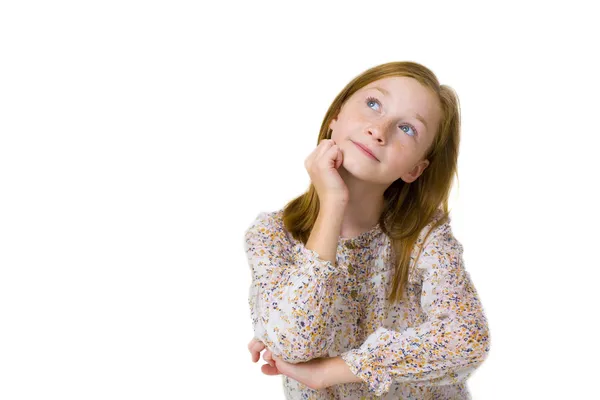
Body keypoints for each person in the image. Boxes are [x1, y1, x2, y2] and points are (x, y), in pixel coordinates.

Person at [244, 61, 491, 399]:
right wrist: (332, 203)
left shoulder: (425, 236)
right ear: (336, 117)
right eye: (373, 104)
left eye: (407, 128)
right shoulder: (272, 235)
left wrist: (331, 371)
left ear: (415, 169)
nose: (380, 129)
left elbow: (467, 339)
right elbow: (293, 342)